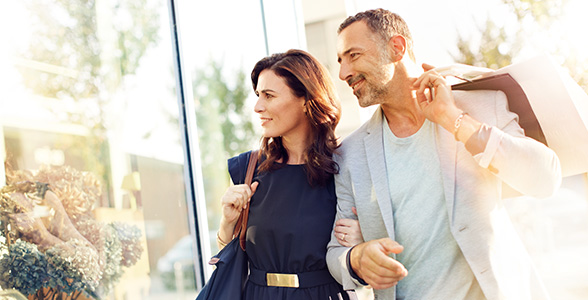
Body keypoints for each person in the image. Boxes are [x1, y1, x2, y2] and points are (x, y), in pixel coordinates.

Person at [326, 8, 562, 300]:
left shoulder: (480, 106)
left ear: (396, 48)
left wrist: (455, 120)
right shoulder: (349, 154)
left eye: (353, 55)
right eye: (340, 60)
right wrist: (356, 258)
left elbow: (545, 179)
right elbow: (336, 253)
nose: (343, 73)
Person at [217, 49, 355, 300]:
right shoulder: (247, 169)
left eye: (269, 96)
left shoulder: (344, 167)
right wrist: (227, 222)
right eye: (258, 95)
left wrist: (361, 242)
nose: (258, 106)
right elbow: (230, 255)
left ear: (305, 99)